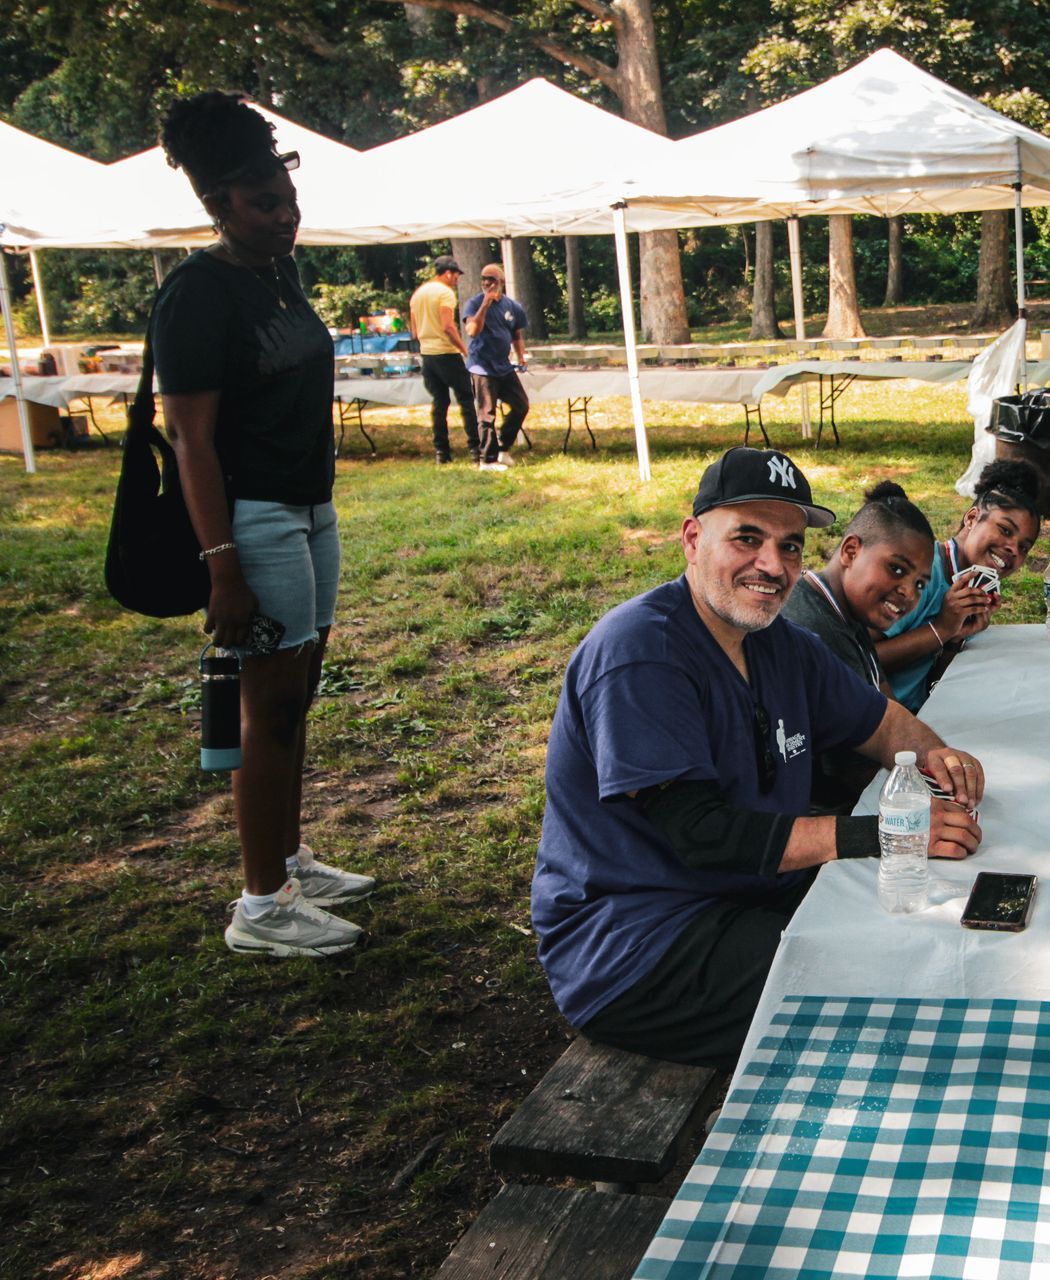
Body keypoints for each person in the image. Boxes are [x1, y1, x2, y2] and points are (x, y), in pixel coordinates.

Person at [533, 447, 987, 1067]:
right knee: (886, 995)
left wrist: (941, 757)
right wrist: (889, 832)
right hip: (639, 942)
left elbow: (881, 724)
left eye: (791, 546)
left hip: (751, 891)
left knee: (933, 931)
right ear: (693, 539)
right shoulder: (640, 653)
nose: (772, 565)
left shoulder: (781, 644)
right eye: (747, 538)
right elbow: (703, 835)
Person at [153, 91, 375, 957]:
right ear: (218, 207)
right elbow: (191, 440)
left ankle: (287, 858)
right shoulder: (197, 294)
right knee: (266, 710)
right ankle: (260, 905)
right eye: (262, 205)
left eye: (287, 200)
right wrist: (223, 566)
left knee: (297, 692)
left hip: (310, 510)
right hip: (252, 522)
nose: (285, 218)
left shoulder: (275, 273)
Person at [780, 481, 938, 813]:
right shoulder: (811, 625)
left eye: (920, 584)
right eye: (896, 569)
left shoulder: (851, 612)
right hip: (823, 815)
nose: (908, 593)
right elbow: (856, 769)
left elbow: (888, 707)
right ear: (851, 551)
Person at [877, 460, 1044, 713]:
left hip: (923, 712)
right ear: (972, 518)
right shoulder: (919, 571)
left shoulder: (973, 586)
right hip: (881, 724)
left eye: (1024, 547)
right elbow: (857, 658)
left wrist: (956, 639)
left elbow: (933, 682)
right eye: (1005, 530)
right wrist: (942, 628)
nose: (1013, 549)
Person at [407, 254, 479, 464]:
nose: (457, 280)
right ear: (448, 273)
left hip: (427, 356)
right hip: (446, 353)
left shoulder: (418, 294)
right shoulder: (445, 293)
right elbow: (448, 326)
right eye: (456, 275)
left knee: (439, 403)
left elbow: (414, 332)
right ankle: (475, 447)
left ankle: (442, 451)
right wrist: (464, 349)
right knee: (466, 399)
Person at [462, 263, 530, 470]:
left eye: (491, 279)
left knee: (521, 405)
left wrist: (521, 357)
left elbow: (516, 335)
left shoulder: (512, 306)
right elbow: (472, 330)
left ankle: (503, 447)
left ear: (501, 282)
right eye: (483, 278)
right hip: (482, 367)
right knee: (486, 414)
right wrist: (485, 304)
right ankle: (487, 460)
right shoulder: (474, 304)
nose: (486, 283)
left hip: (504, 366)